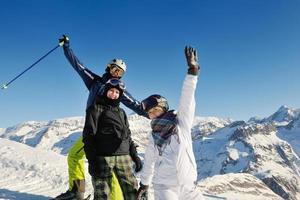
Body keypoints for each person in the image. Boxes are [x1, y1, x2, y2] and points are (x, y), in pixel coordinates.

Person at [54, 35, 146, 200]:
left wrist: (153, 114)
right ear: (109, 67)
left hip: (105, 137)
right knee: (75, 156)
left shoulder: (119, 90)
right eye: (115, 69)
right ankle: (77, 192)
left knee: (109, 170)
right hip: (93, 130)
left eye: (120, 72)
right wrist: (67, 47)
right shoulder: (95, 82)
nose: (117, 73)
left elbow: (136, 105)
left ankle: (79, 193)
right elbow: (79, 67)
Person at [136, 46, 204, 200]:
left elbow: (187, 99)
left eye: (156, 110)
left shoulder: (181, 124)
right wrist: (145, 183)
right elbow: (149, 161)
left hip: (188, 185)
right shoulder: (153, 136)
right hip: (164, 186)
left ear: (164, 107)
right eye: (150, 113)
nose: (153, 114)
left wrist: (192, 72)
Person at [83, 78, 139, 200]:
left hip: (124, 157)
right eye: (111, 91)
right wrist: (92, 161)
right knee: (102, 193)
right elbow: (88, 137)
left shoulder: (121, 112)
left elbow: (127, 135)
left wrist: (135, 156)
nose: (114, 94)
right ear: (106, 91)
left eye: (117, 92)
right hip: (103, 158)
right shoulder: (95, 109)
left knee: (133, 191)